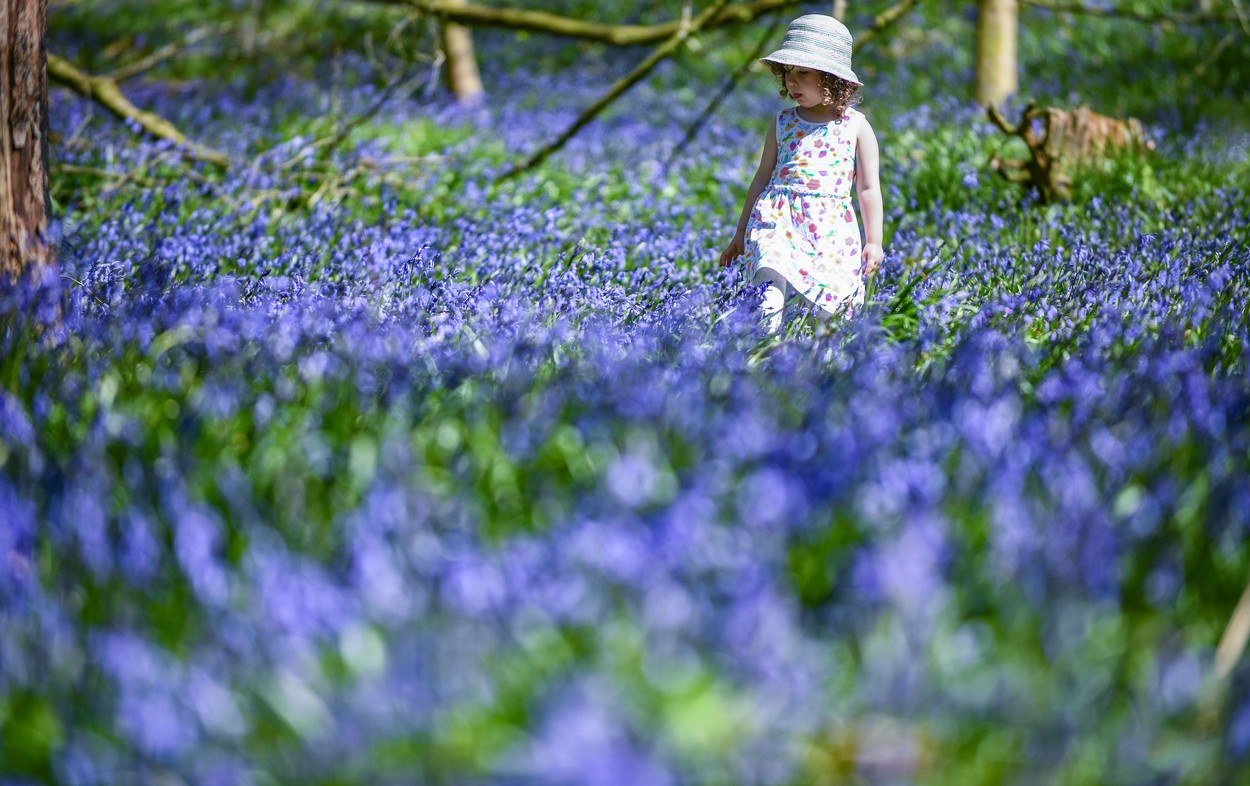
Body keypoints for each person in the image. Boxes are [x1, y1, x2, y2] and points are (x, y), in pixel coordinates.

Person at [719, 14, 884, 334]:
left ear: (833, 78)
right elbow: (761, 178)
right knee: (767, 284)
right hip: (776, 220)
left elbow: (868, 189)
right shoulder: (782, 123)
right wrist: (740, 233)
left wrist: (874, 241)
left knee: (829, 308)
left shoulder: (856, 127)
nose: (791, 81)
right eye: (788, 73)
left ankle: (822, 364)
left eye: (803, 73)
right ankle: (760, 346)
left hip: (829, 227)